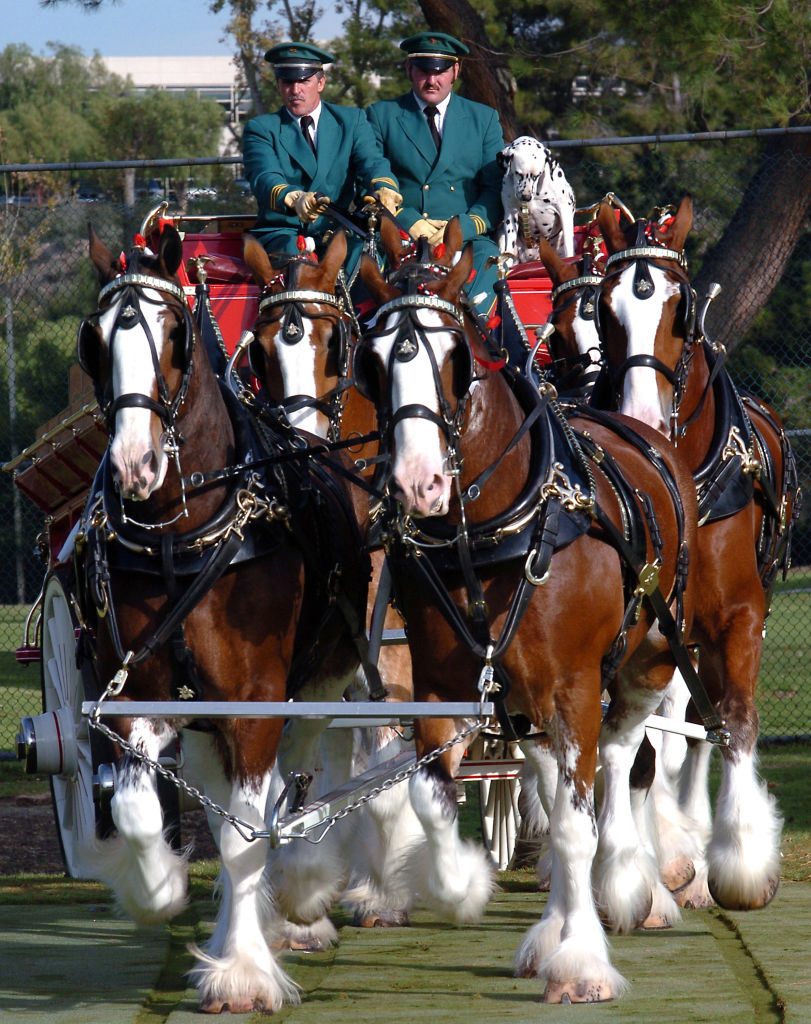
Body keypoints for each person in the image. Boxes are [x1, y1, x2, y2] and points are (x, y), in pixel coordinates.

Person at [366, 32, 505, 316]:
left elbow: (495, 189)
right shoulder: (382, 115)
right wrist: (407, 220)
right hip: (402, 236)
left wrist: (463, 227)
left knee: (480, 307)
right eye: (423, 71)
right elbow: (368, 177)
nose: (432, 81)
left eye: (440, 71)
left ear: (456, 71)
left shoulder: (484, 118)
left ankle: (503, 359)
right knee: (375, 305)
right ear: (408, 70)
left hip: (467, 239)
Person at [242, 42, 402, 277]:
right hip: (285, 232)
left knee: (371, 263)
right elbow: (264, 176)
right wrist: (293, 197)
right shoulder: (262, 128)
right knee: (299, 272)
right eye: (287, 82)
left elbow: (372, 162)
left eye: (304, 81)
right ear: (278, 85)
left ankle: (367, 316)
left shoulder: (351, 120)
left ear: (321, 83)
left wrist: (384, 187)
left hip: (340, 230)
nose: (295, 90)